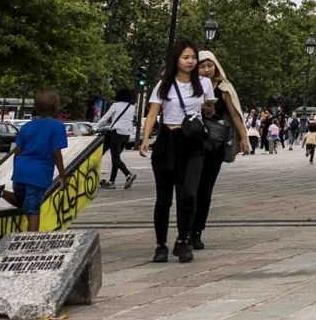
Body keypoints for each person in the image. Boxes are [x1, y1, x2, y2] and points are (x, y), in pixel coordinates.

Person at [138, 38, 216, 263]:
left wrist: (206, 109)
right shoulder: (164, 84)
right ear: (177, 60)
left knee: (189, 194)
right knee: (163, 198)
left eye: (193, 58)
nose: (190, 61)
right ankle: (160, 244)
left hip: (192, 144)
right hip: (167, 142)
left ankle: (183, 240)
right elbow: (153, 112)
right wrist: (145, 138)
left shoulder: (204, 84)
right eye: (186, 57)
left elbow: (210, 109)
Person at [0, 87, 67, 233]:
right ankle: (30, 241)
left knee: (22, 202)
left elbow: (17, 152)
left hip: (21, 171)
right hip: (38, 175)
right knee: (33, 210)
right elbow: (56, 153)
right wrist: (62, 176)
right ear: (55, 107)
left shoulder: (27, 127)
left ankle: (0, 192)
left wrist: (17, 172)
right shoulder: (57, 127)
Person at [191, 50, 251, 251]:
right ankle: (186, 230)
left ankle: (197, 231)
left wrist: (243, 137)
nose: (206, 70)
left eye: (210, 65)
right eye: (202, 66)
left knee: (205, 188)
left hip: (213, 144)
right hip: (192, 141)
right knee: (189, 189)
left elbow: (235, 114)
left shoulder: (224, 88)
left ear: (216, 66)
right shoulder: (188, 86)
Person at [94, 95, 137, 189]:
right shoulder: (132, 107)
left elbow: (106, 117)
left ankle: (128, 174)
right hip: (126, 134)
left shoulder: (116, 105)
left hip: (116, 133)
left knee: (115, 157)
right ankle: (112, 182)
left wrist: (96, 127)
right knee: (116, 158)